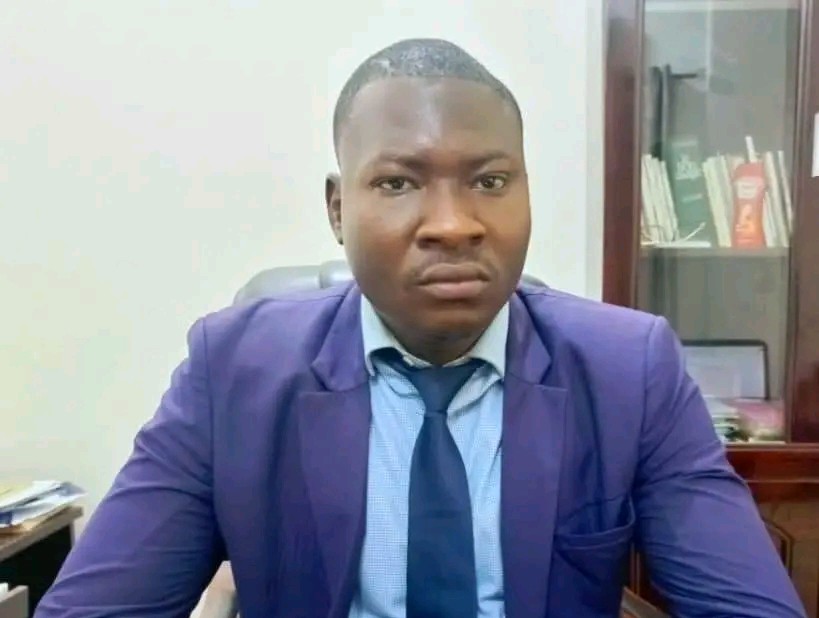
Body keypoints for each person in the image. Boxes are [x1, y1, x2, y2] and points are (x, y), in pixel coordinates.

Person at [36, 39, 804, 618]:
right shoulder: (231, 371)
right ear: (338, 208)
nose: (452, 223)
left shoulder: (627, 370)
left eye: (489, 181)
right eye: (398, 182)